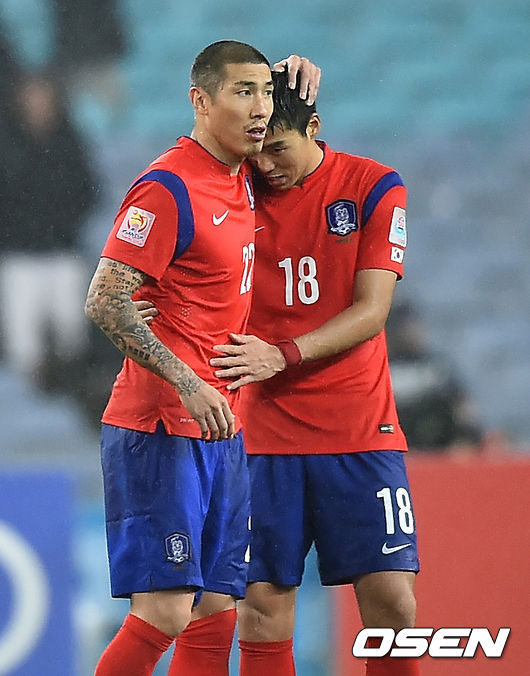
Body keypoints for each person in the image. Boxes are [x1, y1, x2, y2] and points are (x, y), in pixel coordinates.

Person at [84, 41, 319, 676]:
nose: (260, 108)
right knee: (165, 611)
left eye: (265, 93)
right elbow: (105, 299)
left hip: (222, 427)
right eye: (243, 92)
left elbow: (298, 150)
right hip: (161, 426)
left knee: (216, 608)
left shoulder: (242, 175)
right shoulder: (168, 188)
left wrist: (295, 82)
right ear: (200, 101)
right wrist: (187, 381)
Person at [208, 70, 421, 676]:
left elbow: (372, 311)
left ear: (315, 128)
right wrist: (259, 78)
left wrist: (284, 354)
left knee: (393, 607)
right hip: (261, 436)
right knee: (262, 611)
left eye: (279, 148)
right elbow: (205, 127)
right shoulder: (233, 189)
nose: (266, 164)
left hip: (359, 429)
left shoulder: (373, 186)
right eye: (257, 148)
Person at [0, 69, 98, 382]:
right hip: (18, 257)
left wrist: (61, 222)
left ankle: (72, 387)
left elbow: (88, 191)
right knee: (22, 343)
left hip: (63, 253)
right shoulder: (6, 145)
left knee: (73, 334)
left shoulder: (70, 143)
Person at [386, 300, 484, 454]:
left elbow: (461, 406)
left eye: (414, 324)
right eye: (404, 326)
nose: (413, 331)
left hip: (441, 448)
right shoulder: (383, 369)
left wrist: (468, 436)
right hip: (401, 447)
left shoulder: (436, 366)